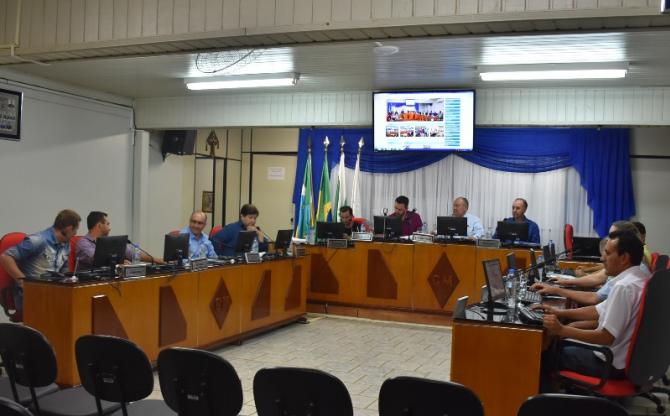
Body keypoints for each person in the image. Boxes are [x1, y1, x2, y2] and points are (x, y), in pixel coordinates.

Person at [535, 230, 649, 392]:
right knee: (556, 345)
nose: (602, 258)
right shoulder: (638, 278)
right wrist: (559, 312)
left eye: (608, 253)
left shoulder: (624, 287)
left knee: (544, 355)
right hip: (627, 362)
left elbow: (605, 337)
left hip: (610, 364)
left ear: (624, 258)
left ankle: (547, 403)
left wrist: (562, 329)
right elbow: (597, 310)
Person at [0, 209, 81, 317]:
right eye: (76, 230)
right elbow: (5, 257)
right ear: (69, 228)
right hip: (32, 294)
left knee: (78, 307)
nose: (75, 234)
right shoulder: (38, 240)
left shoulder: (66, 244)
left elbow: (64, 273)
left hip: (51, 292)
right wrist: (22, 281)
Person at [75, 211, 162, 268]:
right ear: (99, 225)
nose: (110, 228)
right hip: (90, 283)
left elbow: (131, 254)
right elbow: (96, 259)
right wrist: (119, 262)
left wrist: (155, 259)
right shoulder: (83, 243)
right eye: (108, 224)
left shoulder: (109, 242)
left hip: (109, 281)